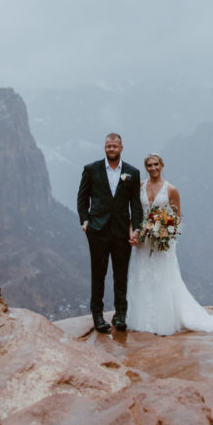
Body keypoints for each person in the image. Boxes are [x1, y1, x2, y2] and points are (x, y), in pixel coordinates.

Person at [126, 153, 213, 336]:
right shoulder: (139, 187)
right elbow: (134, 214)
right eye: (149, 165)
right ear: (146, 168)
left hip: (161, 242)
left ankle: (163, 321)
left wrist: (163, 232)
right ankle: (143, 320)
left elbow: (176, 218)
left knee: (162, 279)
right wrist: (133, 234)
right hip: (143, 242)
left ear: (162, 165)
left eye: (156, 164)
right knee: (143, 277)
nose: (153, 168)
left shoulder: (171, 190)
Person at [77, 133, 143, 332]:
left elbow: (135, 203)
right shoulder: (91, 170)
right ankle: (97, 316)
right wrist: (85, 221)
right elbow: (82, 198)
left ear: (121, 147)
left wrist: (137, 228)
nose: (111, 149)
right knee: (98, 273)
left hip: (122, 231)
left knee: (120, 273)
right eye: (108, 146)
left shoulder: (132, 172)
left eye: (115, 146)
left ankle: (120, 314)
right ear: (104, 147)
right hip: (97, 229)